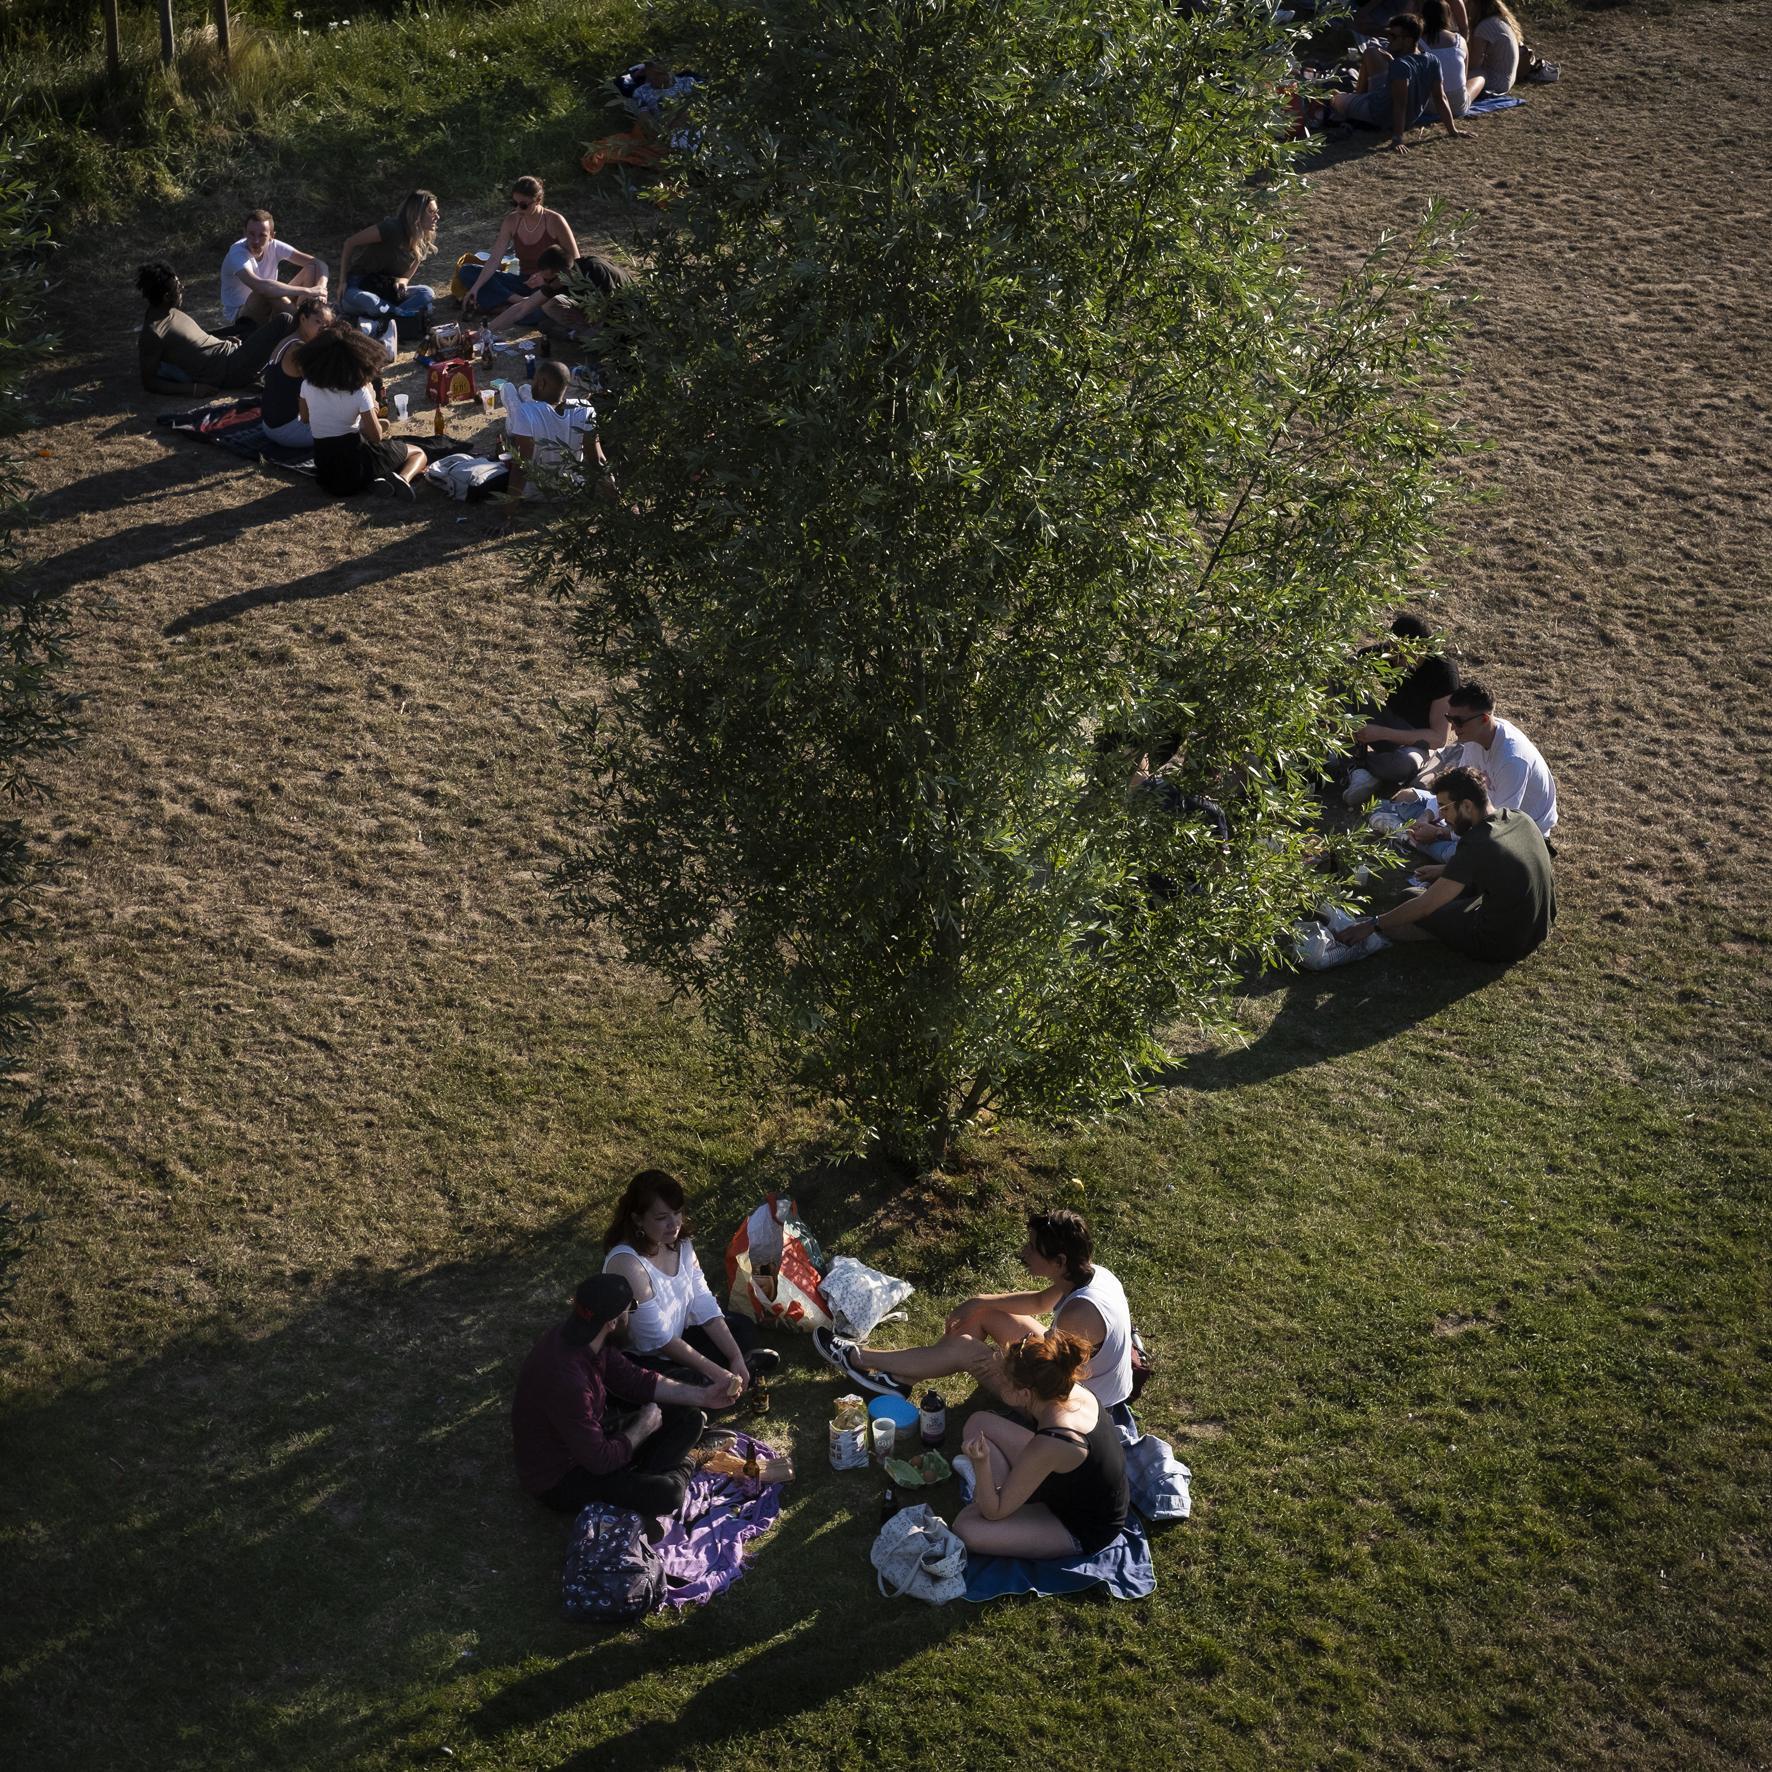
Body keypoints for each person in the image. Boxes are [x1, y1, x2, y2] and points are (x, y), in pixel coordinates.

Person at [814, 1208, 1133, 1409]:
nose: (1024, 1252)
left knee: (965, 1350)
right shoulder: (1091, 1273)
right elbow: (1039, 1302)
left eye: (1032, 1248)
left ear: (1059, 1261)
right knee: (985, 1314)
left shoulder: (1082, 1314)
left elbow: (1043, 1378)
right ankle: (898, 1380)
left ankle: (859, 1359)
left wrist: (984, 1357)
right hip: (1072, 1380)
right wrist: (979, 1301)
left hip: (1077, 1406)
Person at [511, 1272, 737, 1523]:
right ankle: (688, 1460)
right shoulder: (569, 1380)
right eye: (631, 1310)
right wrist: (643, 1427)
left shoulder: (586, 1340)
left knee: (689, 1417)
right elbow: (600, 1461)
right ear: (613, 1321)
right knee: (667, 1495)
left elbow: (634, 1380)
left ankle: (640, 1477)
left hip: (587, 1440)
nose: (631, 1316)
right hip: (562, 1477)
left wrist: (704, 1396)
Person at [1335, 764, 1555, 962]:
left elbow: (1425, 906)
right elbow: (1498, 867)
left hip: (1500, 944)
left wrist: (1373, 923)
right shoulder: (1519, 817)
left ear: (1467, 806)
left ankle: (1432, 933)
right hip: (1538, 929)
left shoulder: (1478, 843)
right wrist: (1447, 870)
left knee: (1410, 897)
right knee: (1449, 894)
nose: (1441, 816)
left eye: (1445, 808)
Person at [601, 1169, 778, 1405]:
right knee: (689, 1385)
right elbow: (660, 1339)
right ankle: (717, 1382)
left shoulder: (680, 1244)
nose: (673, 1224)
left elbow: (702, 1302)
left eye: (677, 1213)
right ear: (637, 1219)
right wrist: (718, 1373)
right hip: (643, 1358)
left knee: (742, 1330)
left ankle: (736, 1367)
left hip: (679, 1339)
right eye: (662, 1217)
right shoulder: (627, 1263)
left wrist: (733, 1355)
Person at [950, 1329, 1130, 1560]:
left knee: (967, 1527)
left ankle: (1001, 1494)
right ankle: (1007, 1493)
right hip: (1071, 1480)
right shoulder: (1064, 1386)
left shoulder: (1054, 1439)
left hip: (1080, 1523)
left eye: (1004, 1380)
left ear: (1025, 1394)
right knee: (979, 1423)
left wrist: (981, 1463)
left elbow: (993, 1513)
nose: (998, 1381)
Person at [1393, 679, 1559, 853]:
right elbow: (1457, 788)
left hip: (1517, 833)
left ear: (1484, 719)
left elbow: (1500, 827)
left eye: (1459, 721)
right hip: (1478, 811)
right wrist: (1426, 817)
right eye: (1450, 719)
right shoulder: (1474, 737)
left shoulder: (1512, 761)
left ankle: (1425, 844)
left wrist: (1440, 833)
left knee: (1458, 855)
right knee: (1408, 797)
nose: (1454, 728)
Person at [297, 323, 427, 499]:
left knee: (367, 455)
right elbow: (376, 436)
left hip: (326, 472)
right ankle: (403, 478)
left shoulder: (307, 385)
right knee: (418, 452)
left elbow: (305, 418)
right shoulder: (359, 391)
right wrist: (372, 404)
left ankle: (374, 481)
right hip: (356, 464)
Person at [1341, 613, 1461, 804]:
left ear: (1422, 649)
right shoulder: (1389, 654)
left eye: (1402, 654)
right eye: (1393, 650)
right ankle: (1360, 766)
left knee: (1400, 766)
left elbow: (1438, 738)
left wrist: (1382, 733)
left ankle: (1357, 766)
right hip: (1386, 721)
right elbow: (1345, 666)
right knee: (1340, 683)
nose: (1396, 659)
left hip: (1417, 741)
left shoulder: (1442, 671)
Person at [137, 261, 293, 394]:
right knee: (285, 321)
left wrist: (221, 339)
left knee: (255, 319)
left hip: (232, 351)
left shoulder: (169, 311)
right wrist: (193, 389)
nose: (182, 289)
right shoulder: (154, 332)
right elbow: (149, 382)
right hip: (230, 370)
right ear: (166, 296)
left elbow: (194, 342)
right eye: (178, 288)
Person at [1327, 11, 1474, 151]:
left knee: (1335, 97)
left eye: (1393, 36)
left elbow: (1400, 104)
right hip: (1408, 118)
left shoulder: (1400, 65)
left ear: (1408, 40)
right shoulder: (1432, 60)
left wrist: (1397, 138)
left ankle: (1347, 99)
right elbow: (1440, 97)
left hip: (1377, 112)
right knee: (1371, 54)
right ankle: (1355, 96)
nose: (1388, 39)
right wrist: (1452, 130)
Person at [463, 176, 581, 319]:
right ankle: (519, 302)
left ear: (537, 200)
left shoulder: (555, 221)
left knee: (544, 313)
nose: (518, 208)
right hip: (523, 282)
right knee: (467, 271)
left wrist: (546, 279)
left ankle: (506, 307)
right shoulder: (511, 221)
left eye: (523, 205)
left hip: (549, 284)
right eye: (514, 203)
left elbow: (576, 263)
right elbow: (494, 259)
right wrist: (476, 287)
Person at [504, 360, 617, 502]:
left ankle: (511, 389)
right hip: (573, 489)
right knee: (524, 390)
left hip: (539, 493)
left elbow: (521, 466)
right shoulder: (585, 409)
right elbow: (598, 459)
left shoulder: (525, 413)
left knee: (509, 389)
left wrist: (508, 512)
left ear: (542, 383)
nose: (533, 384)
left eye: (535, 381)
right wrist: (617, 500)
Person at [338, 190, 440, 334]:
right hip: (358, 288)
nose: (437, 217)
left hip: (387, 292)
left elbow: (407, 274)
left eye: (436, 211)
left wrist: (403, 282)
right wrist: (343, 281)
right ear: (416, 213)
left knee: (427, 292)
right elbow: (350, 243)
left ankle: (381, 322)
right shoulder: (392, 228)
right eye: (431, 212)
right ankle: (405, 317)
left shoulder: (423, 237)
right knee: (372, 302)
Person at [218, 208, 327, 334]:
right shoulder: (237, 253)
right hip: (243, 314)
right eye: (251, 234)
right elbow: (260, 287)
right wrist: (307, 291)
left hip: (271, 303)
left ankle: (308, 315)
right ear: (244, 233)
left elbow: (319, 263)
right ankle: (304, 325)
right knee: (267, 290)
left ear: (271, 236)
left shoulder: (274, 245)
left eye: (262, 235)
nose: (255, 241)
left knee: (311, 268)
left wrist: (321, 288)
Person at [259, 295, 332, 448]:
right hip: (287, 430)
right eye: (318, 322)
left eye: (326, 325)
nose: (322, 329)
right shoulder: (298, 349)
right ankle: (361, 430)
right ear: (303, 319)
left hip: (269, 425)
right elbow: (321, 388)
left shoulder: (289, 340)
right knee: (342, 429)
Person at [1420, 0, 1485, 115]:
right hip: (1456, 107)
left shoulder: (1417, 42)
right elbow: (1464, 78)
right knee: (1480, 77)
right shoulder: (1460, 40)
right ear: (1448, 16)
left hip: (1426, 106)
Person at [1466, 0, 1523, 95]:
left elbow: (1473, 63)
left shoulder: (1484, 27)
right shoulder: (1500, 21)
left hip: (1495, 82)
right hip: (1505, 81)